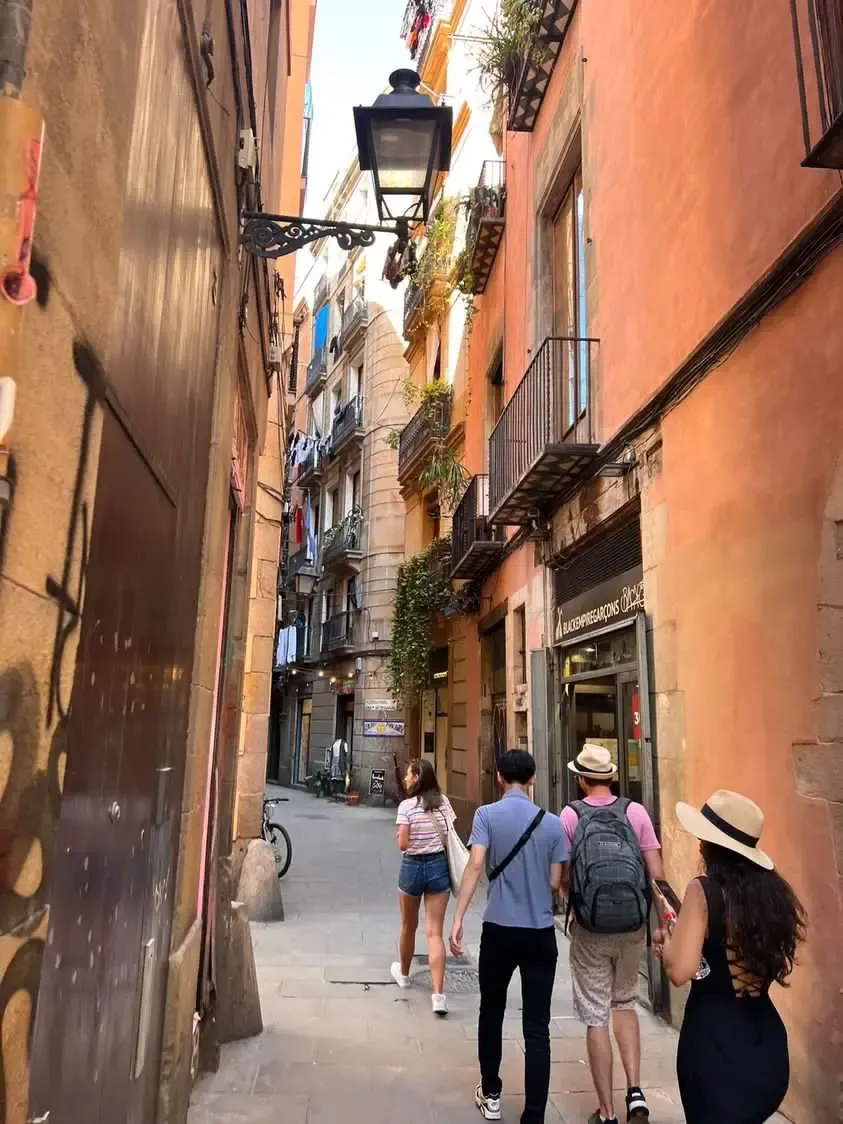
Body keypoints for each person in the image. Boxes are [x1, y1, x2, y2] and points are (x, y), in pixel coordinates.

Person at [653, 790, 806, 1124]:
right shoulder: (773, 893)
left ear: (711, 845)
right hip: (766, 1047)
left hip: (716, 1048)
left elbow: (680, 971)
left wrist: (667, 944)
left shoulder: (703, 891)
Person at [450, 750, 568, 1124]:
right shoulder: (552, 824)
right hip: (539, 934)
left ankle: (492, 1095)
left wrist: (458, 917)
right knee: (537, 1027)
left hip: (499, 930)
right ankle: (534, 1113)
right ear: (532, 779)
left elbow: (475, 865)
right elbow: (555, 882)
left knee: (491, 1011)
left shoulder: (486, 816)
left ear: (499, 777)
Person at [560, 745, 664, 1124]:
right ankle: (635, 1093)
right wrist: (661, 925)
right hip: (633, 926)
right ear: (611, 777)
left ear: (581, 779)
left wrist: (575, 901)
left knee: (596, 1015)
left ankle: (606, 1113)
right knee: (625, 1004)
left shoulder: (570, 815)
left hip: (590, 929)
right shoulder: (635, 812)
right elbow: (657, 875)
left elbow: (563, 876)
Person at [392, 758, 455, 1016]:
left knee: (408, 925)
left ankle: (404, 975)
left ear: (417, 776)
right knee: (434, 932)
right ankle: (438, 995)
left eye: (409, 775)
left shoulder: (406, 806)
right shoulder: (444, 802)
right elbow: (450, 832)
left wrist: (400, 834)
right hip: (438, 866)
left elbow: (403, 844)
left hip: (412, 867)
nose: (405, 779)